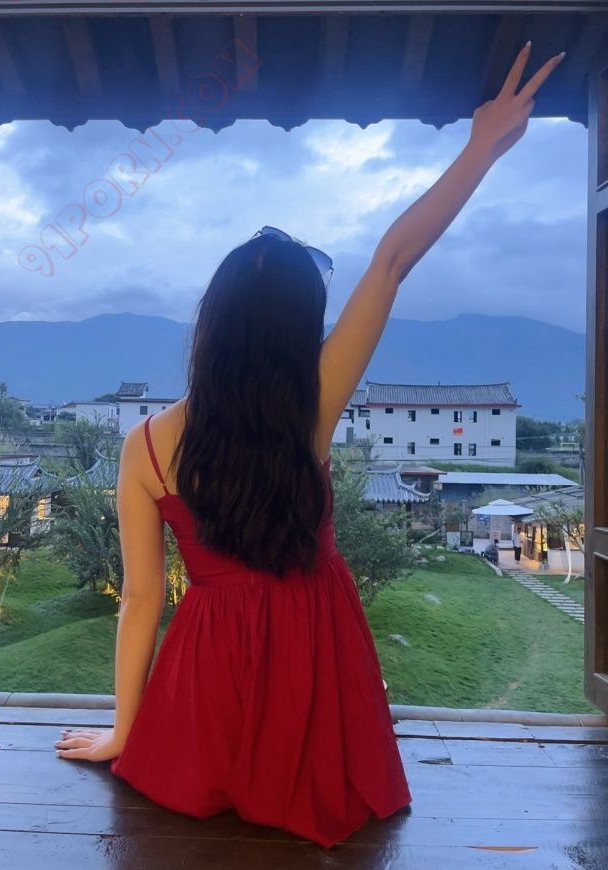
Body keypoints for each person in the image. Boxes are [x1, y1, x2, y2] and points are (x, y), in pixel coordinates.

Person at [52, 42, 565, 849]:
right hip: (312, 648)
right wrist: (482, 147)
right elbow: (391, 261)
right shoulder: (311, 405)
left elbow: (142, 600)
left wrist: (125, 729)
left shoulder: (143, 447)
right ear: (298, 330)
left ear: (214, 322)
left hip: (207, 675)